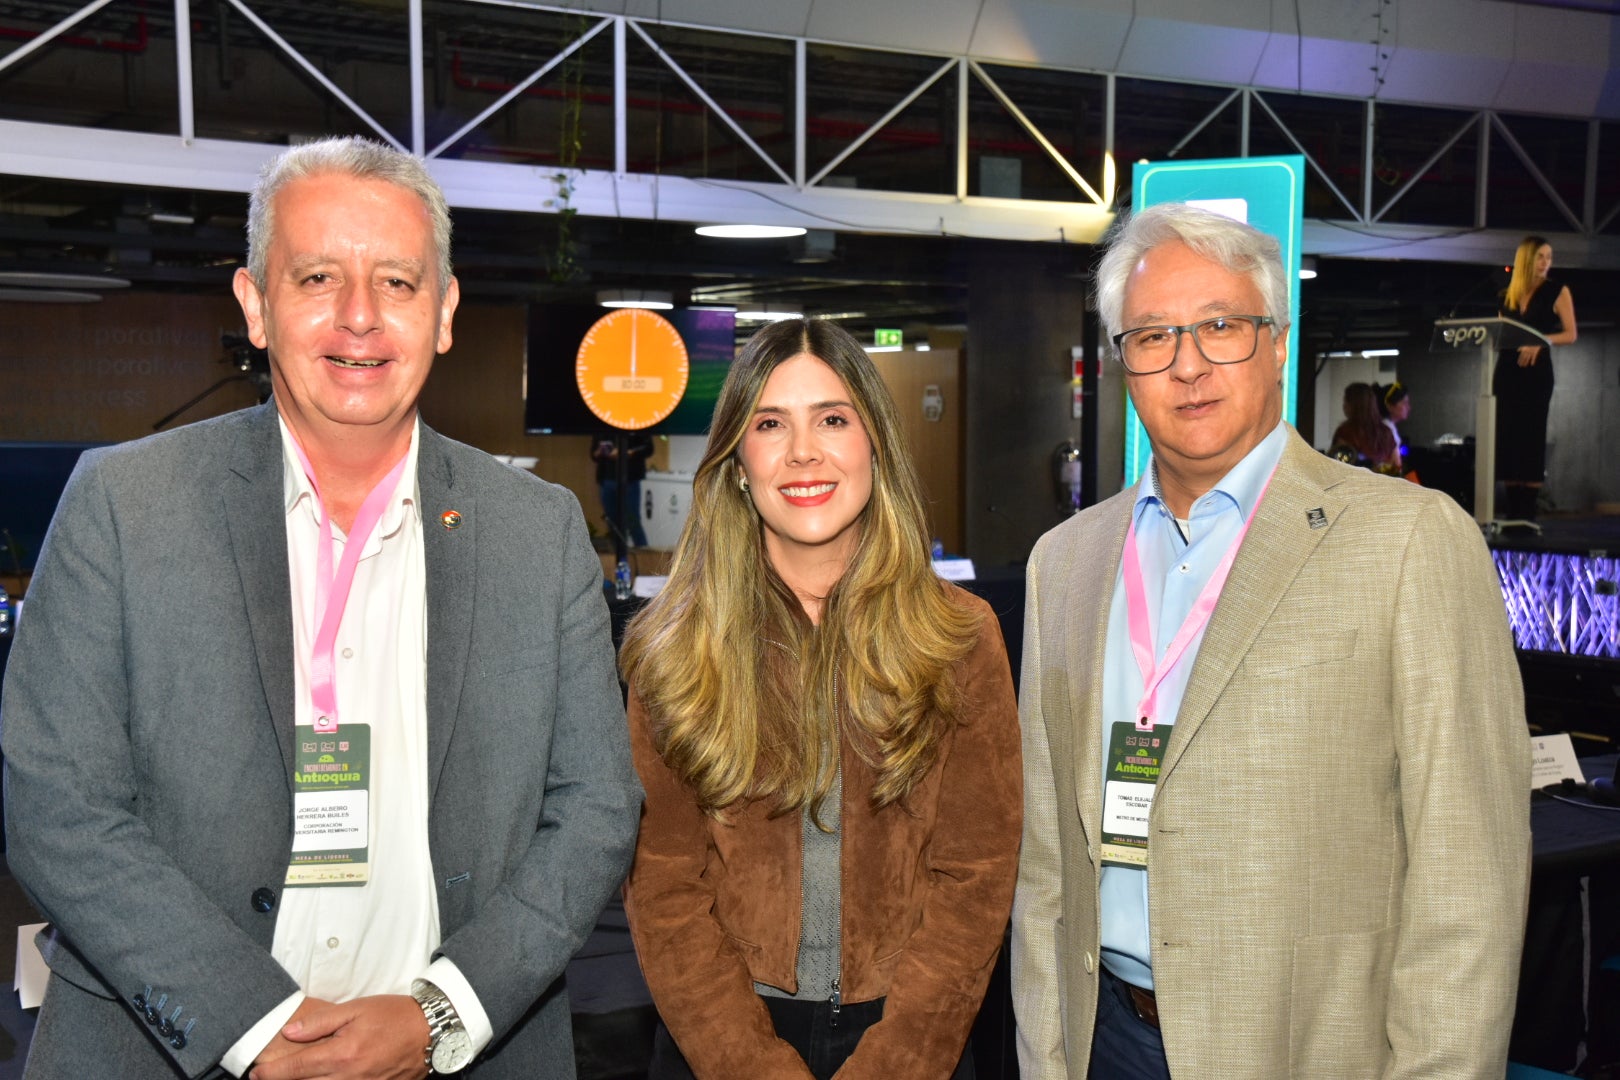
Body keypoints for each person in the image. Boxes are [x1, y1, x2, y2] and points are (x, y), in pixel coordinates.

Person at [1, 137, 641, 1079]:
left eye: (396, 282)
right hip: (168, 1053)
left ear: (445, 311)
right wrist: (253, 1028)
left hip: (464, 1050)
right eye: (315, 278)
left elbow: (593, 808)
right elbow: (58, 805)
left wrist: (439, 1013)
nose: (359, 319)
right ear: (256, 305)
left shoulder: (539, 532)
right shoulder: (123, 506)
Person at [1011, 203, 1529, 1079]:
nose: (1188, 365)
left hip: (1308, 1048)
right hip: (1105, 1039)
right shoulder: (1063, 563)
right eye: (1153, 337)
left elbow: (1468, 879)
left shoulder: (1407, 541)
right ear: (1123, 364)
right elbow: (1045, 864)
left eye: (1221, 327)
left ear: (1278, 343)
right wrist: (1049, 1054)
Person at [619, 318, 1021, 1080]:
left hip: (913, 1040)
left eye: (832, 419)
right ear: (739, 460)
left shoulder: (960, 637)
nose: (804, 451)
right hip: (719, 1044)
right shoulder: (672, 649)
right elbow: (665, 889)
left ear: (874, 444)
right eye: (771, 424)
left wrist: (900, 1061)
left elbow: (976, 875)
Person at [1495, 235, 1577, 520]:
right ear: (1526, 260)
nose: (1546, 263)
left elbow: (1570, 333)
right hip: (1507, 371)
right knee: (1507, 437)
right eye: (1541, 256)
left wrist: (1539, 341)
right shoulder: (1507, 294)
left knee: (1530, 436)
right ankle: (1510, 512)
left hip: (1536, 374)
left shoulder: (1557, 290)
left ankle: (1527, 515)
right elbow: (1499, 331)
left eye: (1549, 257)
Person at [592, 430, 654, 548]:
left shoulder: (637, 423)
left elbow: (649, 448)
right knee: (612, 523)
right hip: (607, 479)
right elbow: (593, 454)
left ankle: (644, 557)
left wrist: (629, 452)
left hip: (630, 479)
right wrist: (600, 452)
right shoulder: (601, 426)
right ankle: (618, 555)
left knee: (633, 520)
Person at [1329, 382, 1400, 474]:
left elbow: (1336, 467)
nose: (1343, 406)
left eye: (1345, 401)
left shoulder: (1345, 433)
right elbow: (1396, 464)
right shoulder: (1386, 432)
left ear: (1353, 405)